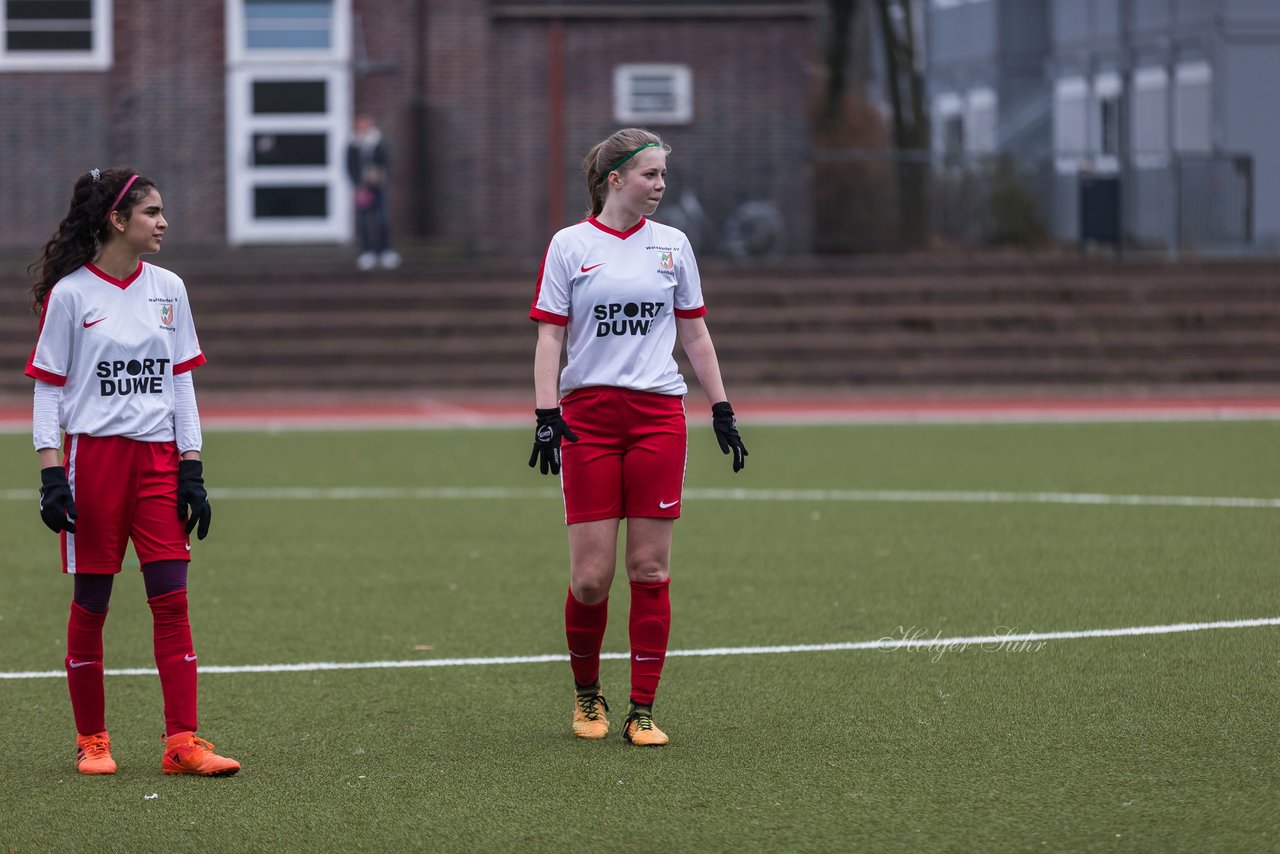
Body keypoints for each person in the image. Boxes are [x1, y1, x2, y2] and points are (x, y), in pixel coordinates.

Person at [528, 128, 749, 747]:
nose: (660, 187)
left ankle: (642, 709)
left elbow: (696, 335)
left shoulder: (673, 246)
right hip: (588, 420)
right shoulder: (570, 246)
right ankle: (587, 696)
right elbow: (549, 338)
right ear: (614, 179)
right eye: (650, 175)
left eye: (663, 176)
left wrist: (722, 407)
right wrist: (548, 414)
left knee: (649, 568)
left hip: (658, 417)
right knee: (591, 579)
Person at [25, 167, 240, 777]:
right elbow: (47, 391)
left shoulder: (170, 287)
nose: (164, 222)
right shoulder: (70, 295)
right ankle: (92, 740)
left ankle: (183, 743)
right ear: (117, 221)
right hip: (92, 462)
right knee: (91, 605)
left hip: (157, 463)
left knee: (172, 601)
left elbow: (181, 384)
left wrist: (192, 468)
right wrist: (50, 474)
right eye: (152, 212)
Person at [346, 113, 401, 271]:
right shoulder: (353, 145)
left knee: (383, 219)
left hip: (379, 187)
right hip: (363, 189)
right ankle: (367, 252)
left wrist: (380, 177)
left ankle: (385, 251)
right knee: (364, 220)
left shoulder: (380, 142)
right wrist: (358, 184)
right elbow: (350, 167)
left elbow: (387, 162)